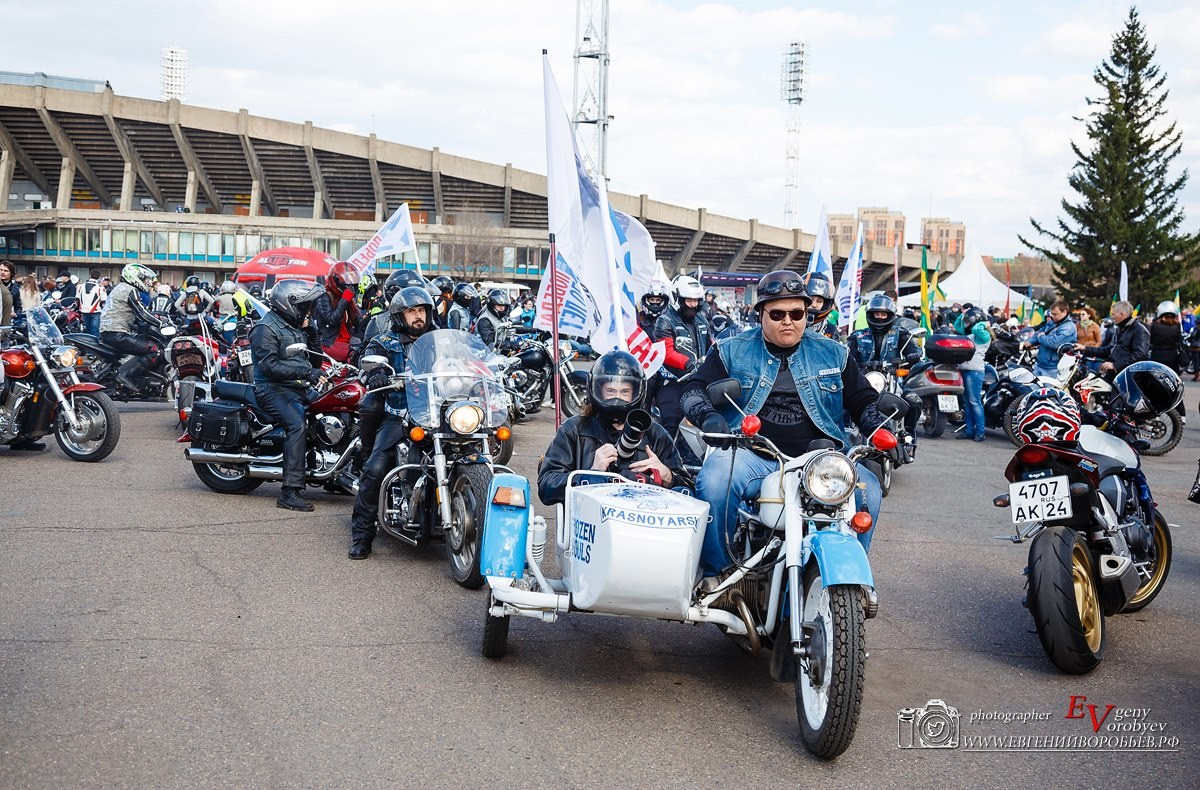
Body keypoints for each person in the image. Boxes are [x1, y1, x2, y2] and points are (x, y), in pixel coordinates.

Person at [679, 270, 888, 577]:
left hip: (819, 461)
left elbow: (863, 401)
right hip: (752, 455)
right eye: (777, 313)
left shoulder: (834, 353)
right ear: (760, 314)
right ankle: (719, 575)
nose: (787, 321)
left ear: (808, 314)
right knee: (715, 478)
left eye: (796, 313)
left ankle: (845, 578)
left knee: (868, 488)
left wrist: (880, 428)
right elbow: (693, 390)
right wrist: (709, 417)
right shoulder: (730, 349)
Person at [348, 286, 436, 559]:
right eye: (412, 311)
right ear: (400, 316)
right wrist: (375, 375)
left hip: (438, 416)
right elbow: (368, 360)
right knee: (375, 469)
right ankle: (362, 535)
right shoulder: (385, 342)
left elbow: (469, 362)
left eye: (422, 310)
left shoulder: (438, 342)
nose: (418, 316)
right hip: (399, 416)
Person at [538, 350, 684, 507]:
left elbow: (687, 492)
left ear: (637, 392)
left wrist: (667, 476)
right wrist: (591, 474)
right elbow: (547, 487)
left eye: (625, 392)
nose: (617, 398)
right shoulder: (573, 430)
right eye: (610, 391)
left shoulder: (655, 434)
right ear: (598, 390)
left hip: (643, 522)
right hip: (589, 523)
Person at [250, 279, 326, 512]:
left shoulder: (296, 325)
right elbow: (269, 366)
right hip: (272, 389)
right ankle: (289, 491)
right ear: (288, 304)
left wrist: (313, 336)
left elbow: (315, 362)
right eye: (305, 306)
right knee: (296, 424)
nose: (308, 311)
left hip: (297, 388)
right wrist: (306, 372)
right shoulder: (265, 328)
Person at [848, 293, 923, 442]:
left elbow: (912, 349)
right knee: (840, 402)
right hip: (864, 382)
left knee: (914, 401)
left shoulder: (900, 334)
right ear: (870, 314)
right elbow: (847, 353)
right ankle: (843, 435)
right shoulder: (858, 336)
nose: (879, 317)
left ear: (890, 315)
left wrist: (914, 355)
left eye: (883, 314)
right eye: (877, 313)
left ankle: (908, 436)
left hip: (893, 381)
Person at [651, 274, 712, 447]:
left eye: (696, 301)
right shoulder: (665, 321)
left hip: (697, 380)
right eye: (689, 300)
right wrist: (688, 363)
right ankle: (664, 461)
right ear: (677, 298)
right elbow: (667, 352)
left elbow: (711, 345)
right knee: (671, 422)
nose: (693, 304)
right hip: (672, 381)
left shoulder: (702, 320)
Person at [98, 263, 165, 393]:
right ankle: (125, 374)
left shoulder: (120, 288)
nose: (148, 282)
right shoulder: (130, 290)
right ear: (135, 277)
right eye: (145, 279)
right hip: (117, 333)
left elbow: (129, 312)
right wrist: (161, 324)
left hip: (110, 331)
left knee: (142, 340)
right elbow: (142, 312)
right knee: (155, 350)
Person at [1074, 300, 1149, 378]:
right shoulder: (1120, 329)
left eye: (1113, 314)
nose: (1112, 317)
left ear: (1122, 314)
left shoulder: (1139, 329)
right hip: (1114, 374)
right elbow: (1109, 350)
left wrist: (1116, 365)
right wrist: (1085, 348)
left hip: (1127, 378)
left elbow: (1140, 355)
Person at [955, 306, 992, 442]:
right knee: (967, 403)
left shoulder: (983, 335)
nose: (966, 322)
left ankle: (980, 432)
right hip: (963, 369)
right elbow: (958, 326)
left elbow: (977, 328)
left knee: (974, 402)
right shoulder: (970, 335)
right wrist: (962, 314)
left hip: (974, 370)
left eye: (968, 320)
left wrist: (983, 323)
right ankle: (969, 430)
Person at [312, 261, 361, 362]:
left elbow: (356, 321)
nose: (350, 287)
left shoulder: (343, 299)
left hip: (346, 341)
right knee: (357, 356)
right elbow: (332, 319)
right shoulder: (324, 296)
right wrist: (345, 299)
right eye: (347, 284)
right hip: (329, 343)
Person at [1025, 299, 1077, 379]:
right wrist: (1030, 342)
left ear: (1064, 312)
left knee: (1048, 391)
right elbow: (1039, 332)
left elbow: (1054, 343)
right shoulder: (1052, 323)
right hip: (1040, 364)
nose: (1052, 316)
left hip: (1053, 369)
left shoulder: (1068, 327)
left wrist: (1041, 337)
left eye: (1055, 314)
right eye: (1052, 314)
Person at [1149, 301, 1185, 371]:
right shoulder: (1177, 326)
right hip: (1173, 356)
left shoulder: (1155, 326)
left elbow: (1151, 340)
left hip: (1157, 355)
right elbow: (1179, 340)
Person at [77, 269, 106, 336]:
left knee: (87, 331)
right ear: (99, 277)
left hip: (83, 311)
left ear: (90, 276)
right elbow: (104, 301)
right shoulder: (101, 288)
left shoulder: (80, 286)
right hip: (96, 312)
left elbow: (77, 299)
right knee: (95, 332)